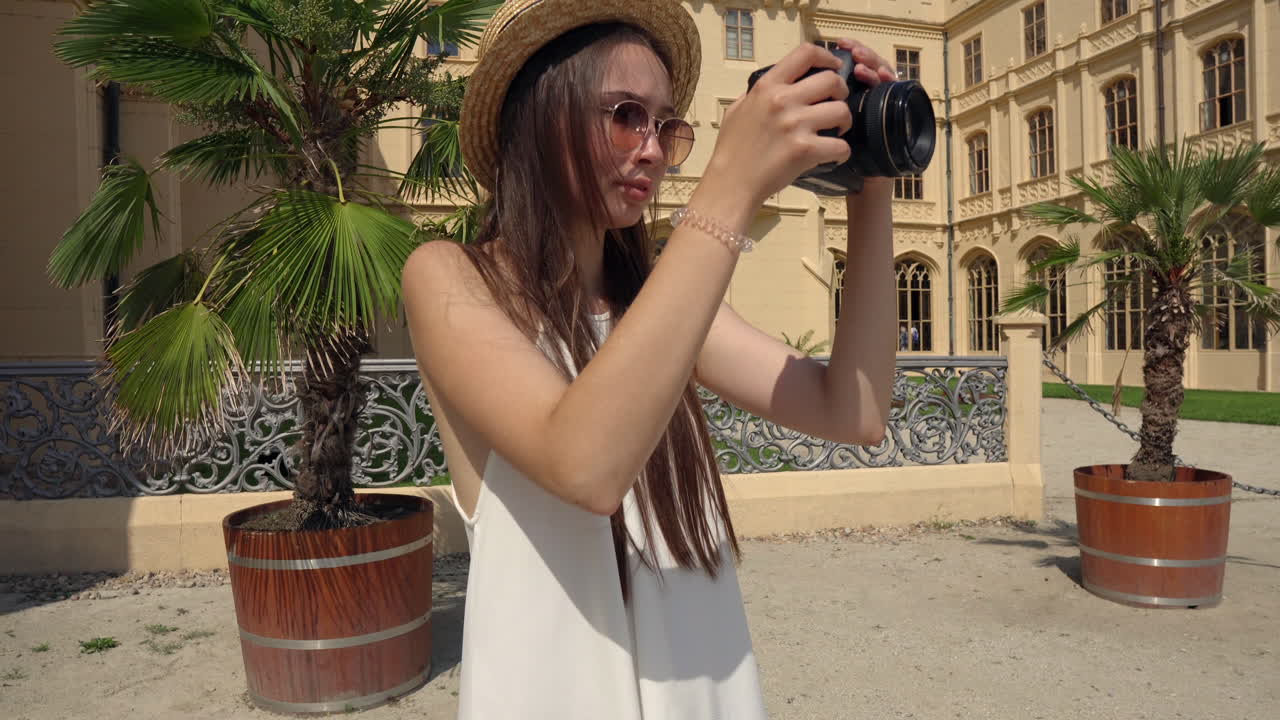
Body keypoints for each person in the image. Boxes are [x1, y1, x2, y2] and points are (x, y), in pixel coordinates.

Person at [402, 1, 897, 717]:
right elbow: (584, 463)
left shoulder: (660, 305)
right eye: (625, 115)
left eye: (665, 125)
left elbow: (854, 412)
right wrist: (729, 187)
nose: (654, 150)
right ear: (540, 117)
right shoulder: (450, 277)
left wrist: (870, 185)